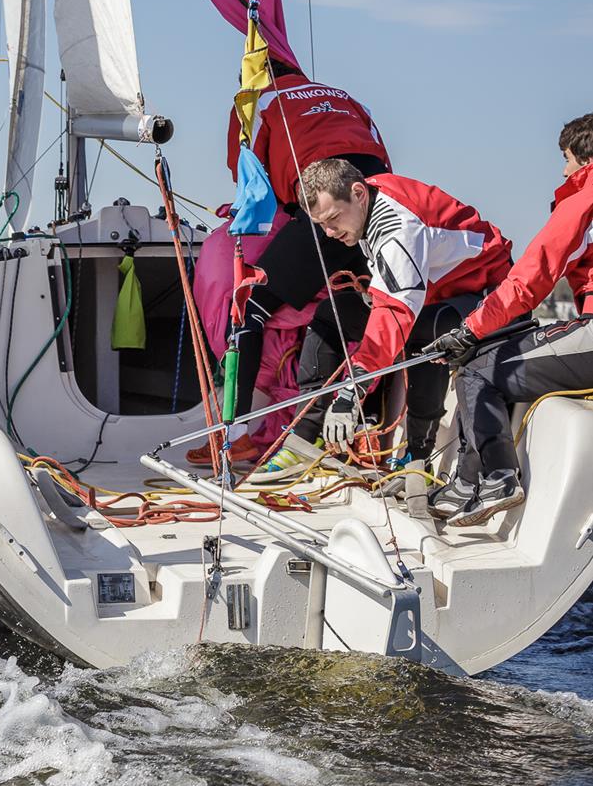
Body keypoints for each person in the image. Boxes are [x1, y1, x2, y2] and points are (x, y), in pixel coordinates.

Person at [252, 158, 513, 482]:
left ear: (358, 193)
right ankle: (306, 437)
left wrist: (351, 393)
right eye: (321, 224)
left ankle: (418, 458)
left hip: (487, 299)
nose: (329, 233)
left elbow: (395, 315)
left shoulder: (397, 228)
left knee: (425, 332)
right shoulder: (368, 203)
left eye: (333, 219)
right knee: (331, 315)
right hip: (435, 292)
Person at [188, 59, 392, 466]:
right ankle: (368, 432)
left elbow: (247, 175)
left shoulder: (257, 103)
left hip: (326, 212)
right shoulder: (346, 97)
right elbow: (382, 157)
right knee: (364, 307)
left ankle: (236, 435)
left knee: (250, 309)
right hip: (376, 204)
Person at [420, 113, 593, 525]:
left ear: (585, 160)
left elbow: (530, 278)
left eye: (567, 159)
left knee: (478, 368)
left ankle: (495, 479)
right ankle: (467, 482)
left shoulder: (584, 199)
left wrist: (469, 331)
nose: (564, 171)